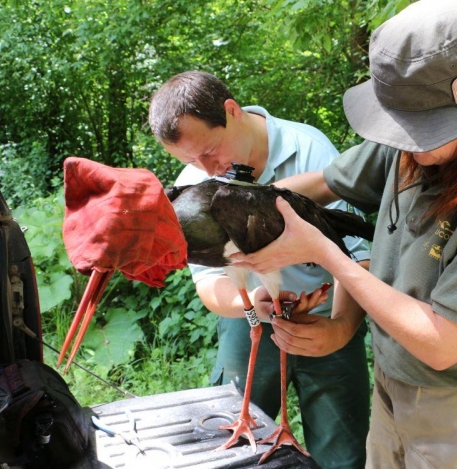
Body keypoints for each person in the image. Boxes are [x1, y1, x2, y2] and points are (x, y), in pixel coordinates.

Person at [232, 1, 457, 468]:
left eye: (420, 131)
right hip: (395, 382)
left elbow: (444, 343)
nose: (403, 144)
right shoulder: (412, 141)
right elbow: (318, 186)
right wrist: (236, 219)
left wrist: (324, 254)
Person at [148, 71, 371, 469]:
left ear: (231, 112)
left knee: (345, 455)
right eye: (189, 160)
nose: (206, 169)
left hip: (330, 314)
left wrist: (340, 329)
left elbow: (358, 255)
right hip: (249, 318)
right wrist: (251, 304)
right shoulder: (193, 184)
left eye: (210, 150)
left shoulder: (310, 149)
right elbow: (210, 284)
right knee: (234, 455)